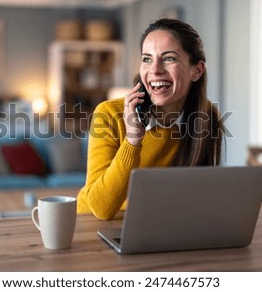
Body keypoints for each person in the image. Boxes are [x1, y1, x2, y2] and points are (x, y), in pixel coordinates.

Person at [77, 18, 224, 220]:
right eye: (147, 59)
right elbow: (101, 208)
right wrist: (132, 140)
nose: (155, 70)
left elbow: (198, 195)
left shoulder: (207, 118)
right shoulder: (109, 114)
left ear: (196, 70)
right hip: (92, 225)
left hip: (156, 224)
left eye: (169, 58)